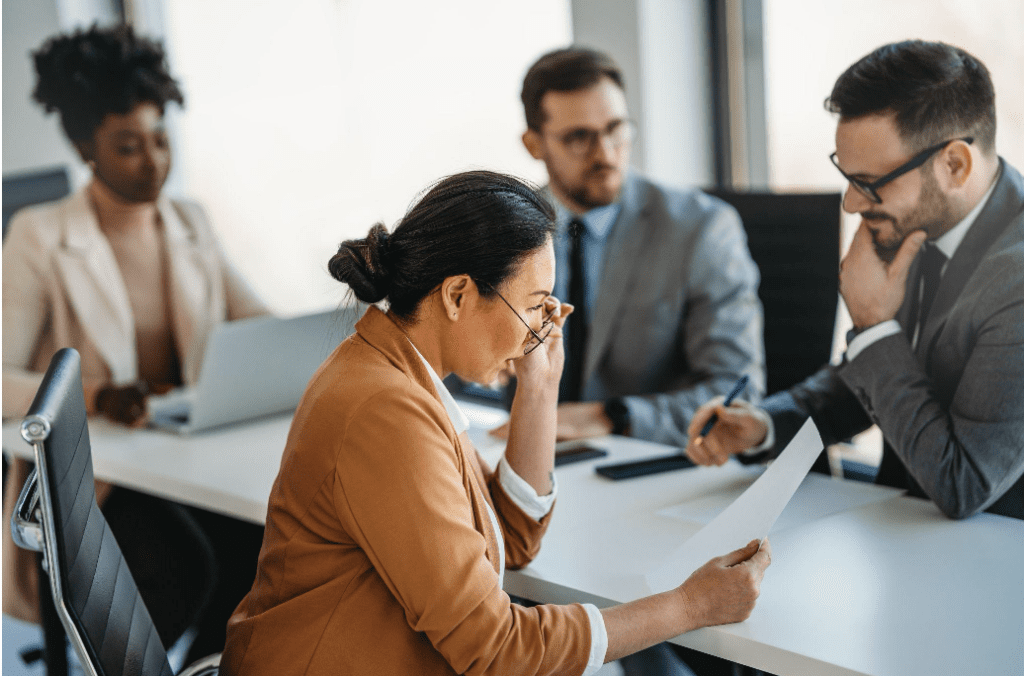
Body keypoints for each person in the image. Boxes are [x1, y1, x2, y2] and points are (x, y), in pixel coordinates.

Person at [221, 170, 771, 676]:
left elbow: (506, 536)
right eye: (534, 306)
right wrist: (688, 605)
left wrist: (538, 387)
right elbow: (496, 648)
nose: (543, 326)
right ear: (458, 295)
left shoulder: (402, 375)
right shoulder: (385, 410)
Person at [2, 24, 270, 660]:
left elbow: (260, 320)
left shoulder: (189, 220)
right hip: (103, 481)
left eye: (159, 139)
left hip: (186, 463)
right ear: (84, 148)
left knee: (271, 547)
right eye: (127, 147)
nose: (153, 161)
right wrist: (96, 396)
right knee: (190, 564)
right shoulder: (39, 237)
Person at [685, 40, 1024, 522]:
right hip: (901, 540)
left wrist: (872, 325)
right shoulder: (923, 224)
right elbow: (867, 383)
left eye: (869, 183)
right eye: (847, 177)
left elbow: (962, 483)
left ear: (954, 165)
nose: (851, 204)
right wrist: (763, 426)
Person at [490, 47, 764, 450]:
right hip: (521, 452)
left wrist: (608, 416)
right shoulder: (505, 228)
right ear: (534, 144)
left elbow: (737, 395)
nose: (606, 154)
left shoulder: (700, 229)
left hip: (650, 460)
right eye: (579, 138)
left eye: (616, 128)